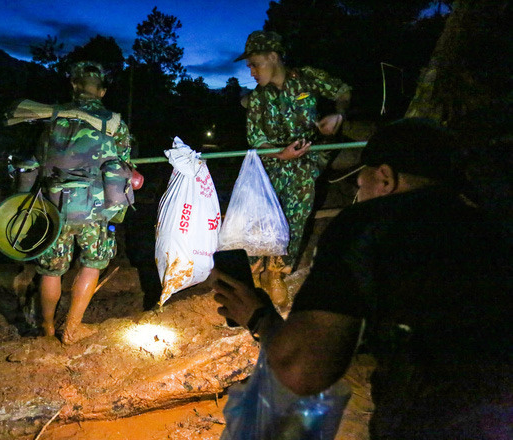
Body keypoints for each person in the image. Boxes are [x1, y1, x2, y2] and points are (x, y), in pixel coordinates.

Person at [212, 118, 512, 439]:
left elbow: (303, 370)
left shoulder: (371, 224)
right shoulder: (495, 220)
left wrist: (257, 316)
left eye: (360, 185)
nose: (360, 194)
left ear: (384, 178)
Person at [15, 61, 136, 344]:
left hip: (55, 206)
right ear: (102, 91)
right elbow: (125, 161)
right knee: (92, 264)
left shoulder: (52, 117)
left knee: (51, 270)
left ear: (74, 85)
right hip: (94, 209)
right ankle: (71, 328)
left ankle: (46, 328)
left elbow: (39, 159)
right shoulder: (113, 122)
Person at [235, 30, 352, 305]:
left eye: (255, 63)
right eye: (248, 66)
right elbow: (257, 141)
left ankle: (276, 273)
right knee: (260, 217)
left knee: (296, 209)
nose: (251, 71)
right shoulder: (256, 99)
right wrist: (280, 153)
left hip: (305, 161)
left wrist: (339, 114)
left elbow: (343, 90)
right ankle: (256, 274)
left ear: (273, 57)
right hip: (271, 163)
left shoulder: (307, 78)